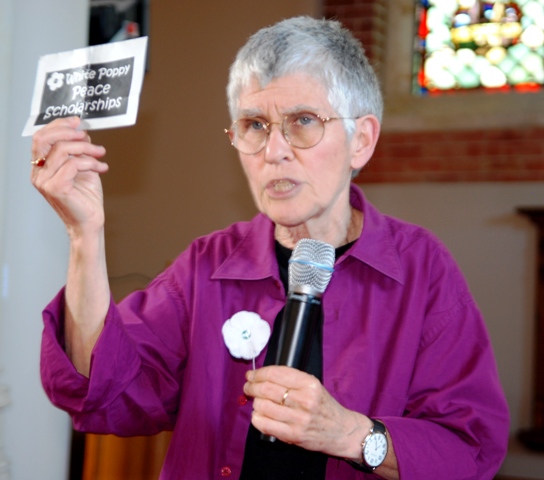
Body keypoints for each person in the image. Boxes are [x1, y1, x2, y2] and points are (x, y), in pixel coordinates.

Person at [31, 16, 509, 480]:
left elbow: (471, 449)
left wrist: (350, 434)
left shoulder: (420, 269)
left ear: (360, 141)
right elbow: (106, 394)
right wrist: (84, 234)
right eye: (255, 125)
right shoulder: (207, 265)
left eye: (302, 121)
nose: (273, 150)